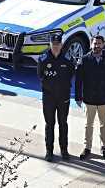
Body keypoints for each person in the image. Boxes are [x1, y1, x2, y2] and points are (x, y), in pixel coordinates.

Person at [75, 35, 105, 160]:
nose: (96, 46)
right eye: (95, 43)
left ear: (103, 45)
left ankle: (104, 147)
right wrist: (78, 97)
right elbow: (78, 81)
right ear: (91, 44)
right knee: (88, 125)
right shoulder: (84, 59)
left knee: (103, 124)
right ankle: (87, 147)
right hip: (89, 99)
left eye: (99, 43)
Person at [37, 33, 75, 162]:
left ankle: (64, 150)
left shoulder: (68, 58)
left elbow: (71, 73)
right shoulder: (43, 59)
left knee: (63, 123)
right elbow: (40, 75)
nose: (56, 47)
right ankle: (49, 151)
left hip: (63, 96)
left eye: (58, 45)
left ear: (61, 44)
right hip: (49, 97)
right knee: (50, 124)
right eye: (53, 45)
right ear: (50, 44)